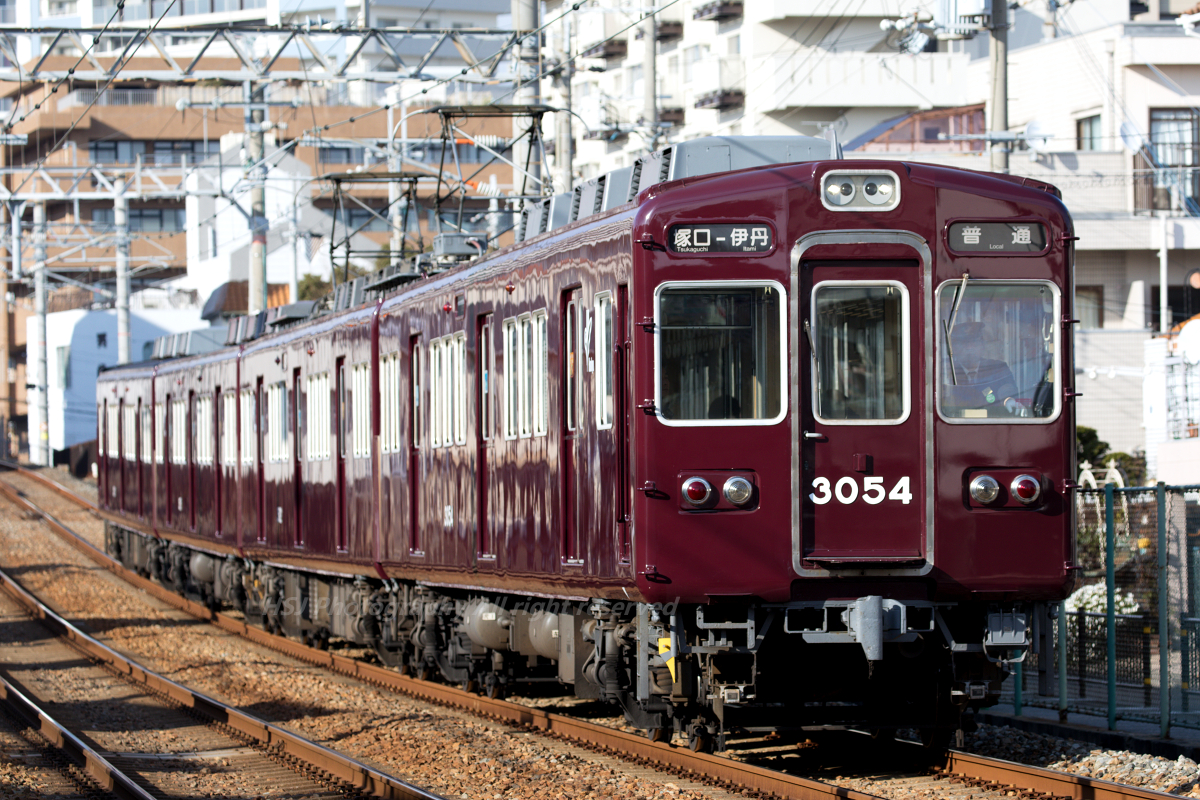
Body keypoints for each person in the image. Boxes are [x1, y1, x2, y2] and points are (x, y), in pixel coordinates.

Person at [944, 322, 1019, 418]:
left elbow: (1006, 389)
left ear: (982, 345)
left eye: (974, 342)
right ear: (954, 348)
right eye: (964, 343)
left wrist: (1008, 400)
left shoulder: (998, 368)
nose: (969, 348)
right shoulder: (947, 370)